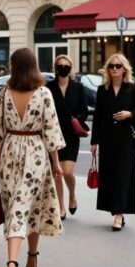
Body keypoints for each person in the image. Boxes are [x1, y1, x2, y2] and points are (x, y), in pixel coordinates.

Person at [0, 48, 65, 267]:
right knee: (27, 206)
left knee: (17, 206)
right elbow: (50, 130)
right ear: (33, 66)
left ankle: (26, 258)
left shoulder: (4, 93)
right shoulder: (44, 93)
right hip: (35, 152)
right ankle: (16, 262)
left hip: (12, 151)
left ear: (14, 66)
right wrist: (56, 163)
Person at [91, 53, 135, 232]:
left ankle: (119, 214)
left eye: (118, 66)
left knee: (123, 176)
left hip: (125, 139)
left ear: (124, 69)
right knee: (110, 176)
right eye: (111, 66)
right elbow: (97, 117)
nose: (114, 69)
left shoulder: (132, 88)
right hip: (107, 139)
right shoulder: (102, 90)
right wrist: (94, 141)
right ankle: (116, 210)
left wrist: (130, 114)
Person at [46, 54, 90, 219]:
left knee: (67, 171)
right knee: (57, 173)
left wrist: (76, 119)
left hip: (71, 135)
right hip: (53, 134)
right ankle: (61, 206)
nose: (63, 68)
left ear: (70, 68)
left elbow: (84, 111)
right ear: (56, 68)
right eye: (60, 65)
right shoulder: (49, 87)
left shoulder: (77, 87)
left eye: (66, 65)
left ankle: (72, 194)